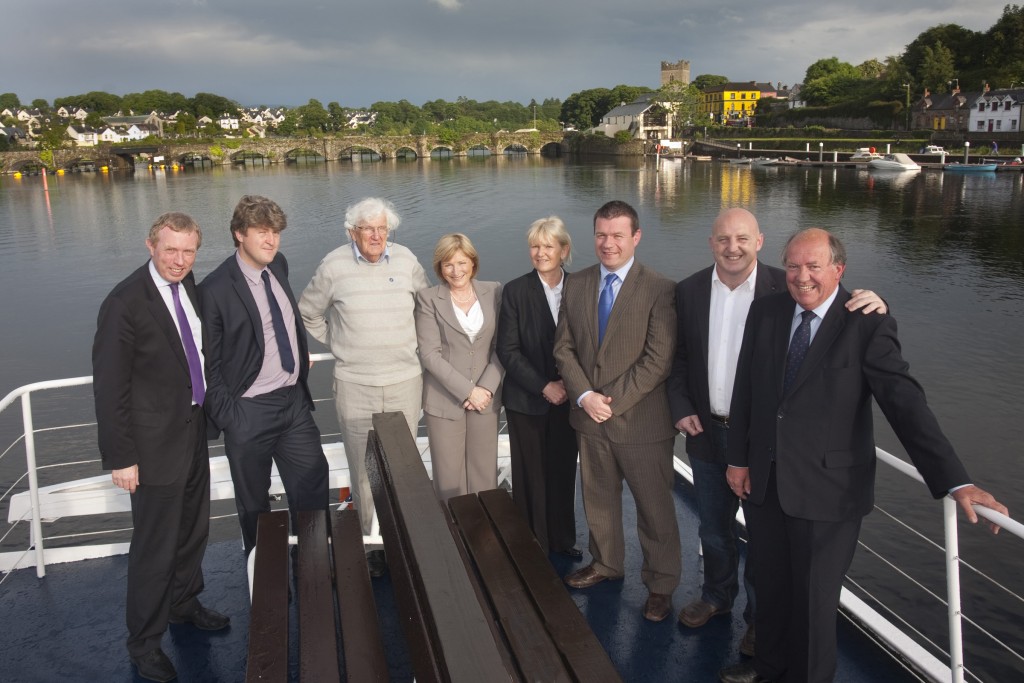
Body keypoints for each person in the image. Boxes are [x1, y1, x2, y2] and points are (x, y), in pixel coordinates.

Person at [719, 228, 1008, 683]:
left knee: (814, 609)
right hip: (766, 485)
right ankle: (768, 671)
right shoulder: (767, 311)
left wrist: (956, 480)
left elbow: (905, 402)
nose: (802, 276)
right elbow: (747, 391)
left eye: (814, 266)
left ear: (839, 269)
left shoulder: (867, 322)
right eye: (793, 265)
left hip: (829, 495)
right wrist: (738, 458)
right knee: (771, 593)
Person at [667, 208, 887, 655]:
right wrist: (682, 406)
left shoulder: (785, 286)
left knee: (765, 543)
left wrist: (876, 302)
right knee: (713, 528)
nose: (733, 247)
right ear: (711, 242)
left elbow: (837, 307)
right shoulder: (688, 290)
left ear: (760, 241)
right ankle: (716, 596)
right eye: (724, 238)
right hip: (707, 432)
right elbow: (681, 358)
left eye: (742, 238)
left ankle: (759, 621)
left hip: (765, 442)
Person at [93, 212, 229, 683]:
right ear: (150, 246)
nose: (179, 260)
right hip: (150, 447)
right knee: (154, 546)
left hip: (192, 430)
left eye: (188, 251)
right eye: (170, 250)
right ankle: (144, 643)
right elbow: (110, 388)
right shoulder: (125, 302)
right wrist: (121, 456)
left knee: (193, 529)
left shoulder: (189, 288)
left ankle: (183, 603)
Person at [553, 200, 680, 623]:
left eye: (618, 235)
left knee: (654, 509)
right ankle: (606, 563)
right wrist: (585, 396)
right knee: (598, 500)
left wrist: (609, 402)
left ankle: (660, 584)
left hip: (642, 423)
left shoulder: (660, 288)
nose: (609, 244)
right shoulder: (577, 284)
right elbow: (563, 348)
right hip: (589, 419)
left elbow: (658, 360)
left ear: (636, 237)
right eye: (602, 235)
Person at [298, 197, 429, 577]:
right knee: (363, 469)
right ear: (352, 232)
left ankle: (401, 538)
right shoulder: (333, 265)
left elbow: (426, 308)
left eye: (382, 229)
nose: (376, 236)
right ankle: (373, 545)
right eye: (367, 229)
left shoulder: (406, 260)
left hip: (405, 380)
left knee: (403, 467)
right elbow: (308, 312)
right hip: (355, 384)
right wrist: (337, 342)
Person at [199, 195, 329, 556]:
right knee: (255, 506)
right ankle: (266, 584)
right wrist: (232, 417)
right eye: (262, 232)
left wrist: (297, 360)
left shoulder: (278, 265)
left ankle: (312, 568)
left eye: (276, 232)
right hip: (248, 412)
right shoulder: (214, 290)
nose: (271, 241)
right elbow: (207, 366)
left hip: (292, 404)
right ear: (239, 234)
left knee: (313, 485)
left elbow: (279, 325)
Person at [496, 216, 580, 559]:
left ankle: (562, 540)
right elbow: (507, 350)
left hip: (570, 399)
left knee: (562, 471)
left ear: (564, 250)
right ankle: (533, 544)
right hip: (527, 401)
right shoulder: (515, 291)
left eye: (548, 246)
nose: (540, 253)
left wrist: (571, 386)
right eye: (535, 246)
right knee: (530, 475)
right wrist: (545, 386)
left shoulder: (581, 287)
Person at [415, 233, 503, 501]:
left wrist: (485, 388)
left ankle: (484, 538)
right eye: (448, 264)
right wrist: (468, 391)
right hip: (445, 401)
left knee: (484, 474)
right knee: (449, 478)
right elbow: (430, 354)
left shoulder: (495, 291)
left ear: (473, 263)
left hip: (486, 399)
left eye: (462, 263)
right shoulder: (428, 298)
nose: (456, 271)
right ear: (439, 268)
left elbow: (504, 346)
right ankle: (452, 538)